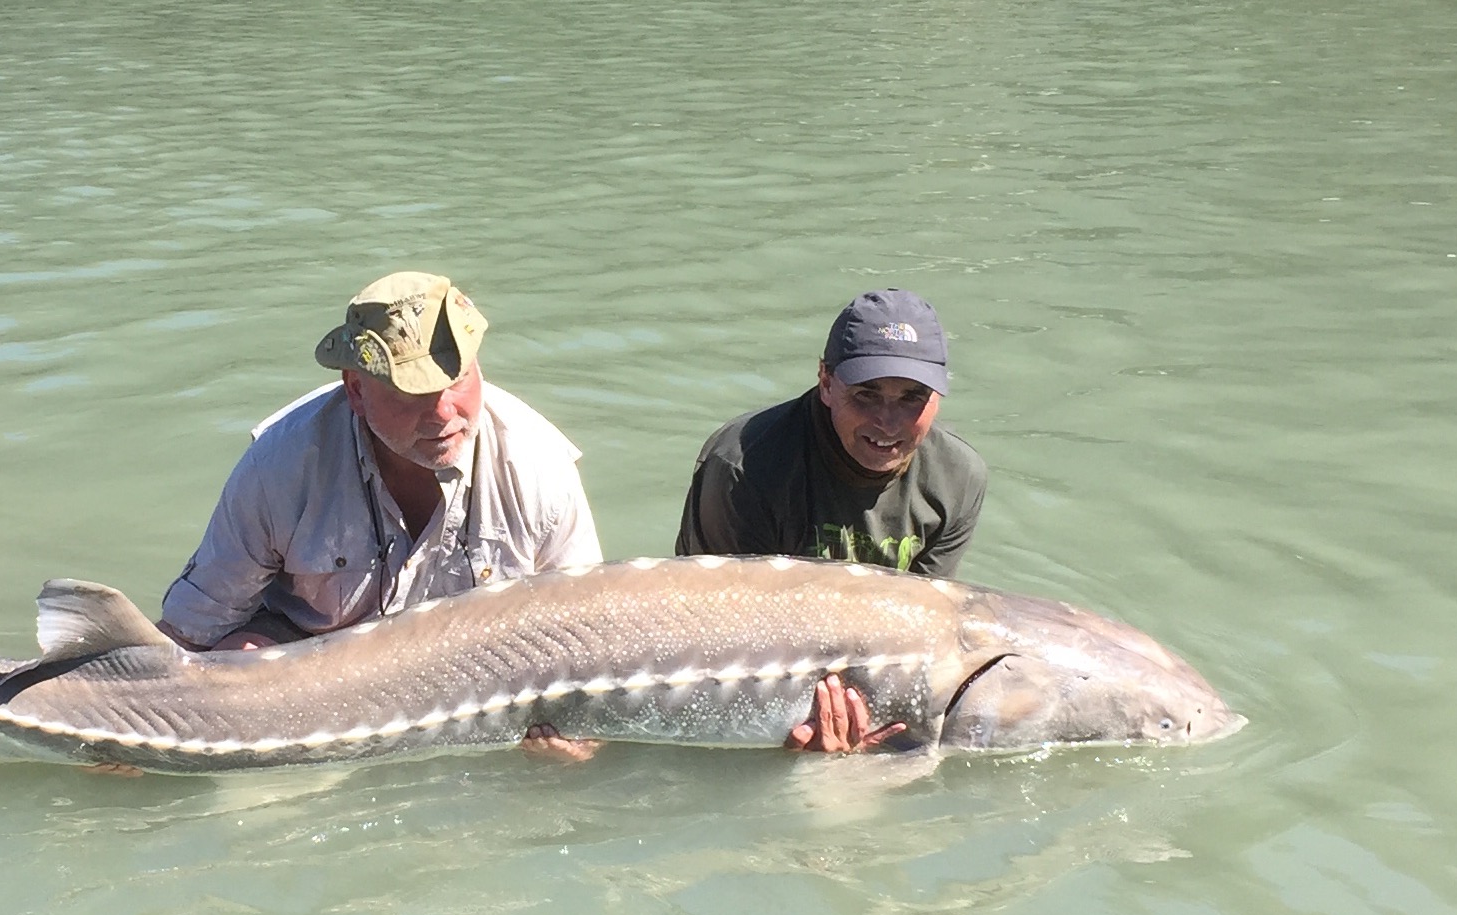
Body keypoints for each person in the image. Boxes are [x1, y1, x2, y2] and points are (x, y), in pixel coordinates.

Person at [160, 270, 601, 663]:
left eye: (457, 380)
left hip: (475, 663)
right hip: (314, 651)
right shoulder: (281, 466)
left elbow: (587, 634)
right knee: (234, 659)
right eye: (414, 393)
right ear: (356, 390)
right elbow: (190, 632)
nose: (444, 412)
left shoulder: (539, 466)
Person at [676, 287, 988, 754]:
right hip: (739, 672)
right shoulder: (743, 466)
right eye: (866, 394)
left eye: (912, 397)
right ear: (826, 382)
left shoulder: (957, 478)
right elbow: (711, 637)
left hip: (864, 678)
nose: (888, 422)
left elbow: (924, 633)